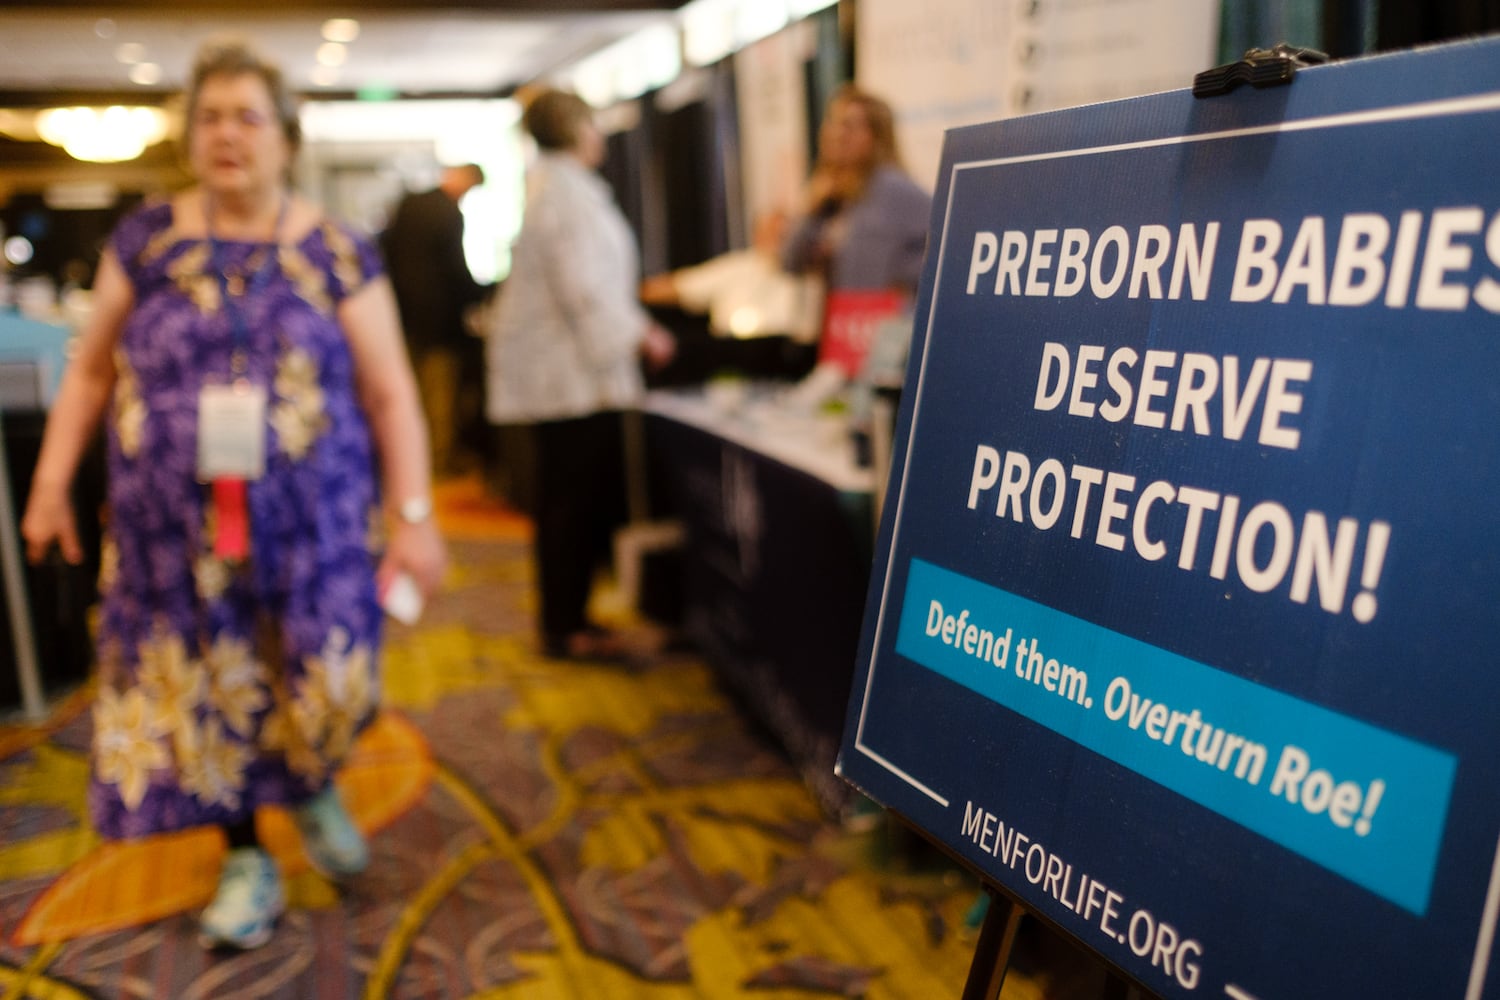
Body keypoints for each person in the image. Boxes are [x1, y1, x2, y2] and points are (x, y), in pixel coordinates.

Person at [18, 38, 446, 951]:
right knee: (212, 692)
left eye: (248, 116)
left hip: (315, 523)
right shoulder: (147, 241)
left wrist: (414, 516)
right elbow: (89, 372)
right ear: (188, 136)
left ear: (286, 139)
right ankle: (246, 850)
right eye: (209, 117)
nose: (227, 134)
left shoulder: (336, 252)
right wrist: (52, 484)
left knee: (323, 677)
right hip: (172, 529)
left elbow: (391, 392)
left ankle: (313, 777)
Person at [484, 87, 675, 661]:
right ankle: (565, 626)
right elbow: (584, 288)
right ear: (573, 130)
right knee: (569, 505)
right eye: (591, 125)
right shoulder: (561, 194)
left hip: (572, 376)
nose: (599, 136)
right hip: (568, 382)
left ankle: (569, 619)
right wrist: (641, 333)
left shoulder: (561, 187)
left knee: (567, 503)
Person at [380, 163, 491, 477]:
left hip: (403, 319)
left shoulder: (410, 204)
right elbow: (457, 272)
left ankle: (407, 462)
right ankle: (436, 465)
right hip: (438, 325)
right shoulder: (449, 213)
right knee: (439, 397)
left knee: (408, 394)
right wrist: (483, 293)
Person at [781, 84, 932, 295]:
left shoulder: (894, 189)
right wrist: (810, 209)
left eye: (849, 126)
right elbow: (789, 263)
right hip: (839, 323)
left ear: (876, 136)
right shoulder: (830, 195)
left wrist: (898, 278)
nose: (836, 134)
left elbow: (942, 250)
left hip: (881, 322)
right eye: (832, 122)